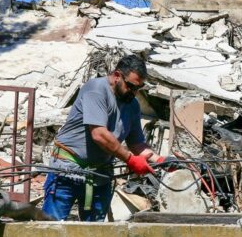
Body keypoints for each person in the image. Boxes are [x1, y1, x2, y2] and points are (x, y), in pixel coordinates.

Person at [42, 54, 163, 221]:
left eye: (138, 88)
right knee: (51, 227)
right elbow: (99, 134)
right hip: (68, 170)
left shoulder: (132, 105)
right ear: (117, 76)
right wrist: (130, 159)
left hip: (100, 174)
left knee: (95, 233)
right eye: (131, 86)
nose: (134, 93)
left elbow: (137, 144)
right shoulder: (96, 90)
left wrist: (161, 161)